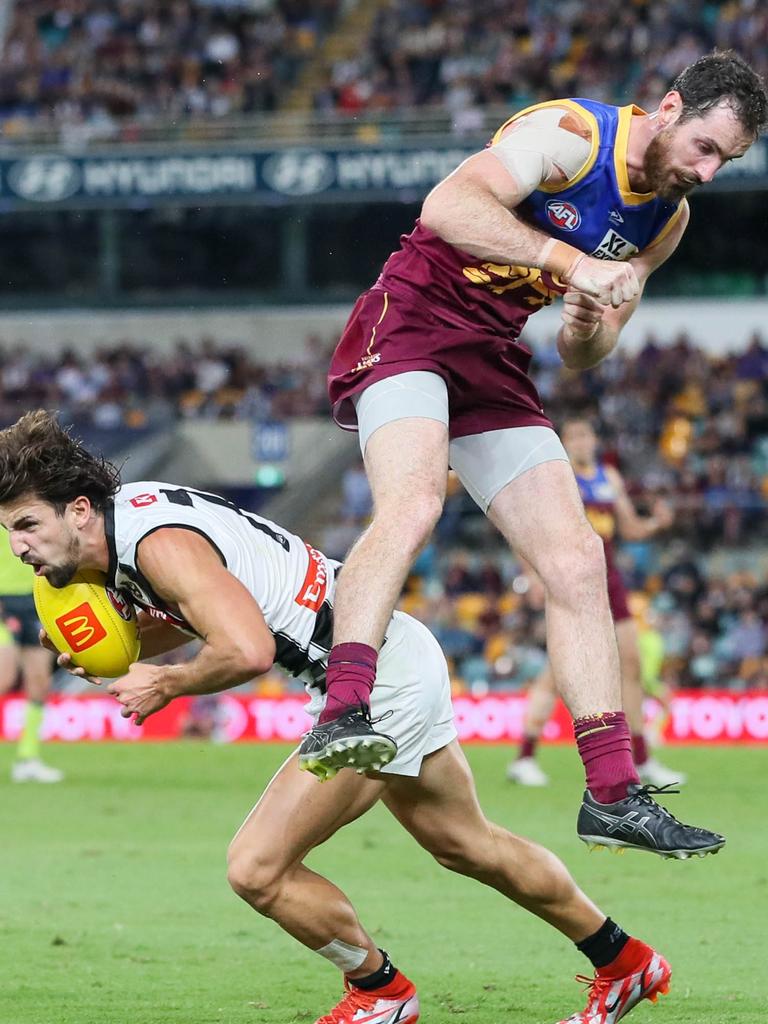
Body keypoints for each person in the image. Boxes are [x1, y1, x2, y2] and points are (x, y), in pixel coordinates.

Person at [0, 411, 713, 1024]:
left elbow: (244, 646)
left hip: (373, 680)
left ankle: (380, 990)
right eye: (9, 531)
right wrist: (122, 653)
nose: (19, 547)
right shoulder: (139, 523)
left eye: (28, 524)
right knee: (468, 845)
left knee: (257, 868)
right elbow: (212, 607)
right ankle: (626, 962)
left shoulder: (153, 544)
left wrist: (164, 685)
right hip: (385, 654)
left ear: (81, 510)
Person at [303, 50, 766, 856]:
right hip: (409, 320)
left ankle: (613, 795)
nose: (710, 170)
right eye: (705, 147)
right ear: (667, 108)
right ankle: (343, 708)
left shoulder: (669, 216)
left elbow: (593, 347)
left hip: (492, 352)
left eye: (727, 160)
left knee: (578, 561)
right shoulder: (571, 136)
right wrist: (568, 263)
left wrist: (587, 325)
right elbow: (449, 204)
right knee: (414, 502)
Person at [508, 416, 685, 789]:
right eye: (575, 436)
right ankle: (525, 756)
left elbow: (631, 528)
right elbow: (524, 525)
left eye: (587, 435)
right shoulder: (556, 475)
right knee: (559, 672)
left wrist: (657, 523)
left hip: (608, 575)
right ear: (564, 442)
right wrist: (533, 573)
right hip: (571, 574)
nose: (583, 442)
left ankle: (643, 758)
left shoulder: (610, 477)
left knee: (631, 665)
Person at [0, 530, 61, 782]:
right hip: (2, 598)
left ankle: (28, 757)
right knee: (4, 677)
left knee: (39, 682)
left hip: (34, 597)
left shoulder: (29, 503)